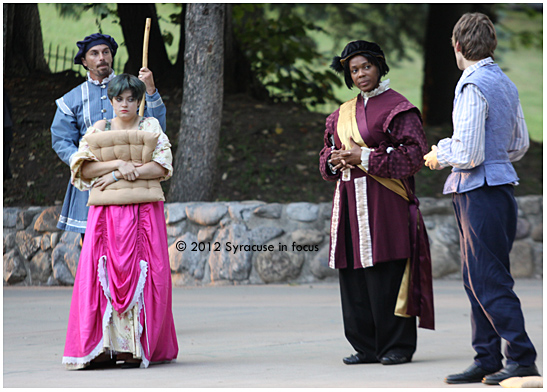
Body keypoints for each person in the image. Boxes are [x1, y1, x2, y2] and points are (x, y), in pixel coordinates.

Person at [423, 13, 540, 385]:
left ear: (457, 46)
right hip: (500, 189)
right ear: (490, 44)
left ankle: (521, 358)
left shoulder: (472, 84)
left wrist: (440, 153)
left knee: (487, 280)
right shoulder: (505, 82)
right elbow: (518, 144)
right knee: (478, 279)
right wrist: (492, 156)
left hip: (479, 192)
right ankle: (487, 357)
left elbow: (469, 153)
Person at [319, 40, 434, 366]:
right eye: (353, 70)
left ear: (379, 66)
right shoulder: (340, 114)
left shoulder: (400, 109)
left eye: (365, 67)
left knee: (387, 273)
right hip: (349, 206)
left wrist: (364, 157)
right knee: (353, 274)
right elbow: (324, 156)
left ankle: (396, 346)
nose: (360, 74)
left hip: (386, 205)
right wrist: (335, 160)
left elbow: (414, 156)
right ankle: (365, 346)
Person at [61, 74, 178, 369]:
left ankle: (132, 347)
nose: (125, 104)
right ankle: (103, 346)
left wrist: (116, 176)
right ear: (111, 101)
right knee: (102, 275)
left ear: (139, 102)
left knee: (146, 273)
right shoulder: (99, 128)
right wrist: (117, 165)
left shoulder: (149, 127)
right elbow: (84, 168)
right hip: (106, 215)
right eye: (119, 99)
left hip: (143, 215)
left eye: (131, 99)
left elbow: (162, 165)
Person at [51, 33, 167, 235]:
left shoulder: (131, 90)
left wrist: (150, 89)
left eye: (106, 52)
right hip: (94, 181)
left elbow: (158, 127)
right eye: (94, 54)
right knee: (94, 246)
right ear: (84, 62)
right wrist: (82, 163)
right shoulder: (71, 99)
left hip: (132, 180)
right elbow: (61, 139)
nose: (101, 57)